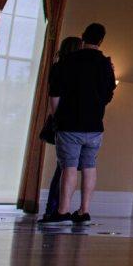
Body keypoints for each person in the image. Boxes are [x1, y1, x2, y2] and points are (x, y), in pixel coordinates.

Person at [47, 22, 115, 224]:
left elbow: (55, 95)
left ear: (82, 37)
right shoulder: (106, 65)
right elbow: (108, 94)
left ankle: (63, 210)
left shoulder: (66, 62)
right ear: (101, 40)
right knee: (89, 167)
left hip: (69, 123)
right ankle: (84, 211)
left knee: (68, 167)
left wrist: (57, 117)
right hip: (94, 125)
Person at [38, 36, 82, 223]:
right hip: (71, 123)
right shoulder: (73, 70)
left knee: (63, 168)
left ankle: (54, 208)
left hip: (65, 122)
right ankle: (55, 208)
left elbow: (54, 98)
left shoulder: (59, 68)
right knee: (64, 168)